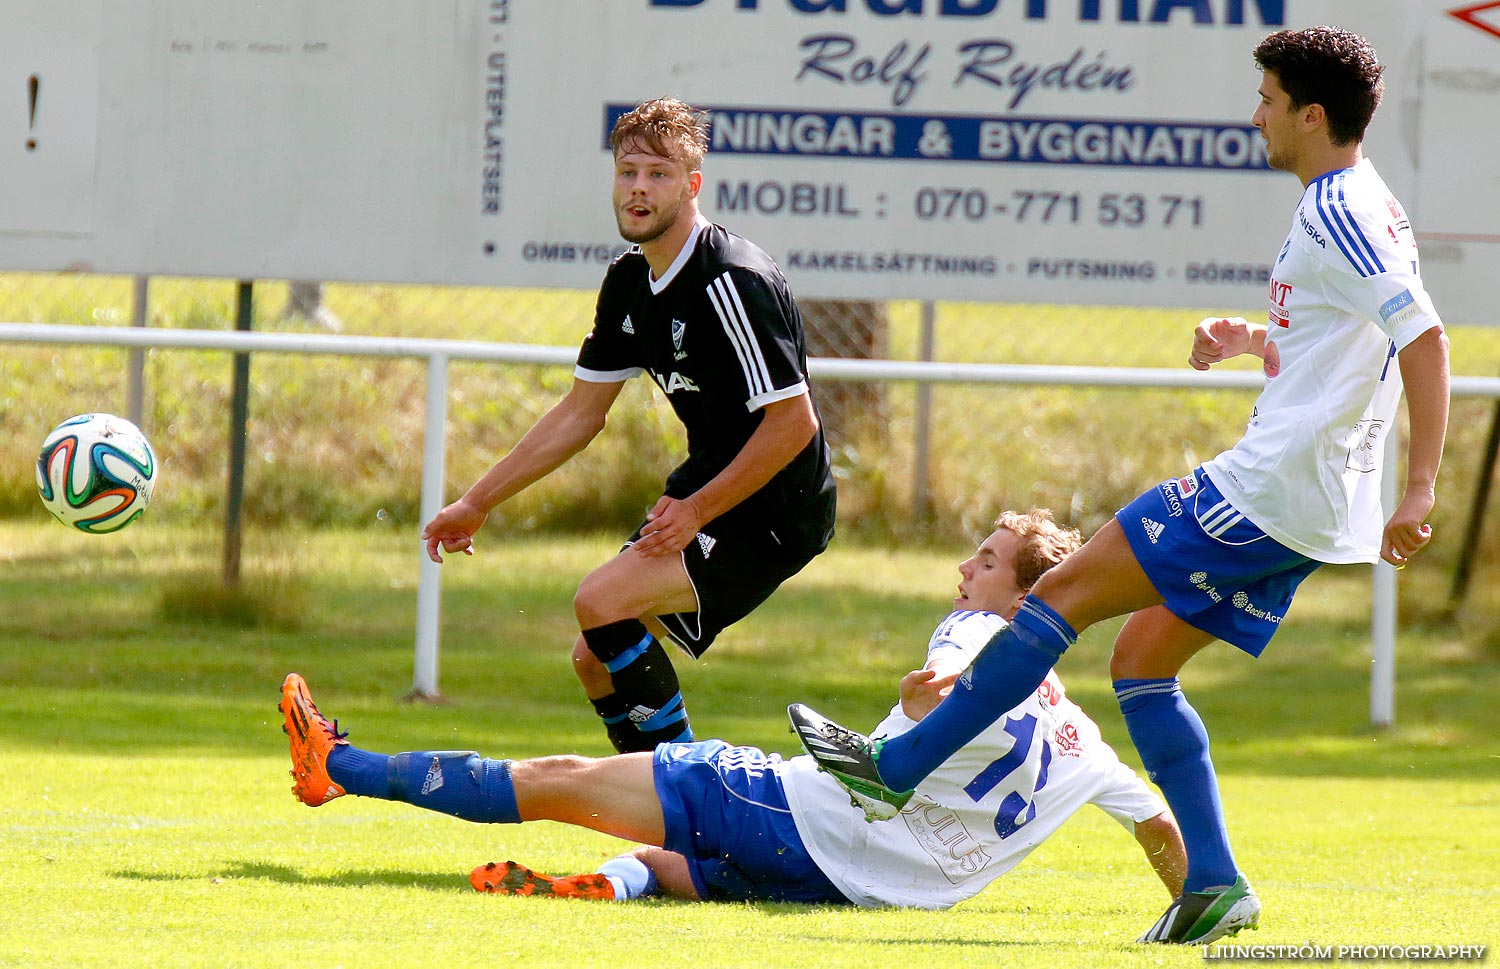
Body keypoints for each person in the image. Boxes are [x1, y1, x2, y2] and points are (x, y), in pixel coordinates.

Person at [790, 26, 1450, 946]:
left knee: (1055, 594)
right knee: (1141, 665)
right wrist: (1259, 342)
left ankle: (898, 769)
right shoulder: (1357, 201)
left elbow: (1423, 339)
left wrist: (1420, 488)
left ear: (1310, 114)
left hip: (1263, 491)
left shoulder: (1340, 206)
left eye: (1265, 100)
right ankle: (1214, 883)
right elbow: (1356, 338)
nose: (1252, 114)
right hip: (1306, 506)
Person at [279, 510, 1187, 911]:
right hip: (857, 893)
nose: (965, 571)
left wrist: (928, 690)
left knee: (558, 780)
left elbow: (947, 675)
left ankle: (338, 766)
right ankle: (617, 883)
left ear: (1022, 594)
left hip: (796, 812)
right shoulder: (1083, 740)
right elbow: (1158, 822)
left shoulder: (979, 633)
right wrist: (1191, 903)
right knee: (669, 861)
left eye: (985, 560)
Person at [421, 98, 835, 754]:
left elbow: (794, 425)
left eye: (659, 174)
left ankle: (680, 805)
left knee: (600, 599)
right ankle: (663, 802)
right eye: (627, 172)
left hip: (777, 507)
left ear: (692, 186)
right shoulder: (627, 282)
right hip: (711, 490)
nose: (639, 187)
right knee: (593, 657)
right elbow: (581, 415)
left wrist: (697, 509)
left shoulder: (731, 280)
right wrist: (477, 501)